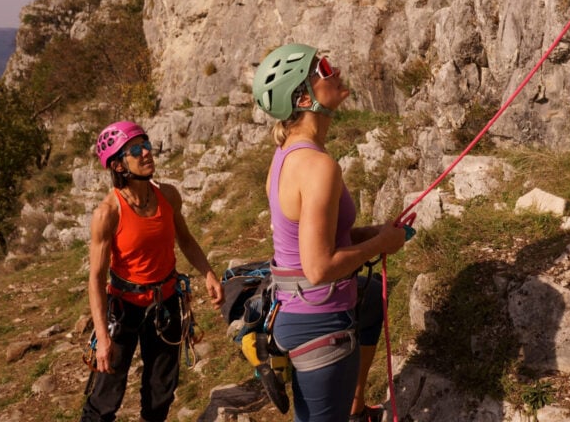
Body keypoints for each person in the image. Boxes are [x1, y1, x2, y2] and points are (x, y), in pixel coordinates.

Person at [252, 44, 410, 422]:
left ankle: (355, 409)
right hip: (320, 320)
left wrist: (372, 233)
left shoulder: (287, 154)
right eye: (323, 67)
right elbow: (320, 266)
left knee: (371, 298)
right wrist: (381, 244)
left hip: (297, 310)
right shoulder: (317, 166)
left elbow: (316, 237)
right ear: (304, 96)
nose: (334, 69)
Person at [80, 120, 225, 422]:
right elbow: (95, 278)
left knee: (161, 391)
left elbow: (184, 239)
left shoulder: (168, 195)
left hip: (166, 302)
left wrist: (208, 273)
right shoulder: (107, 213)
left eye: (146, 144)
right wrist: (103, 338)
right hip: (123, 308)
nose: (146, 152)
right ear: (119, 165)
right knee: (105, 396)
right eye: (136, 149)